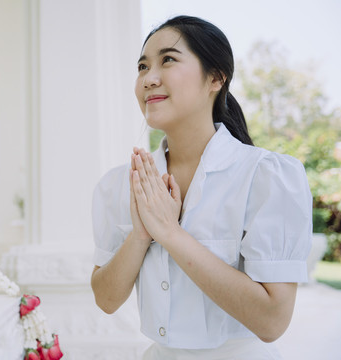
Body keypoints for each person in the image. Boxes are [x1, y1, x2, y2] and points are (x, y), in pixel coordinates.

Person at [90, 15, 312, 359]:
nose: (149, 78)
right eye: (142, 66)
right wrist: (140, 235)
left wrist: (170, 232)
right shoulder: (122, 183)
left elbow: (272, 322)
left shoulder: (265, 177)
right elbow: (105, 300)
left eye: (168, 59)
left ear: (216, 78)